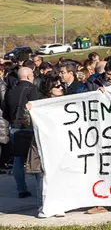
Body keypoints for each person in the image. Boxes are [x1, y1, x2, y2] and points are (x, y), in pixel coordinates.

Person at [24, 72, 66, 218]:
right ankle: (45, 205)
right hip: (44, 146)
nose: (61, 88)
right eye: (57, 86)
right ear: (49, 90)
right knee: (43, 176)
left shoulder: (67, 102)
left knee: (59, 174)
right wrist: (28, 111)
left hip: (61, 145)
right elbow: (28, 123)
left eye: (61, 85)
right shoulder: (40, 105)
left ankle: (59, 204)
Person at [2, 67, 38, 199]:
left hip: (14, 127)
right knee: (35, 158)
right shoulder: (33, 89)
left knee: (18, 160)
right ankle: (39, 186)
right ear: (29, 76)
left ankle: (21, 189)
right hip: (29, 127)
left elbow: (4, 110)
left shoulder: (11, 91)